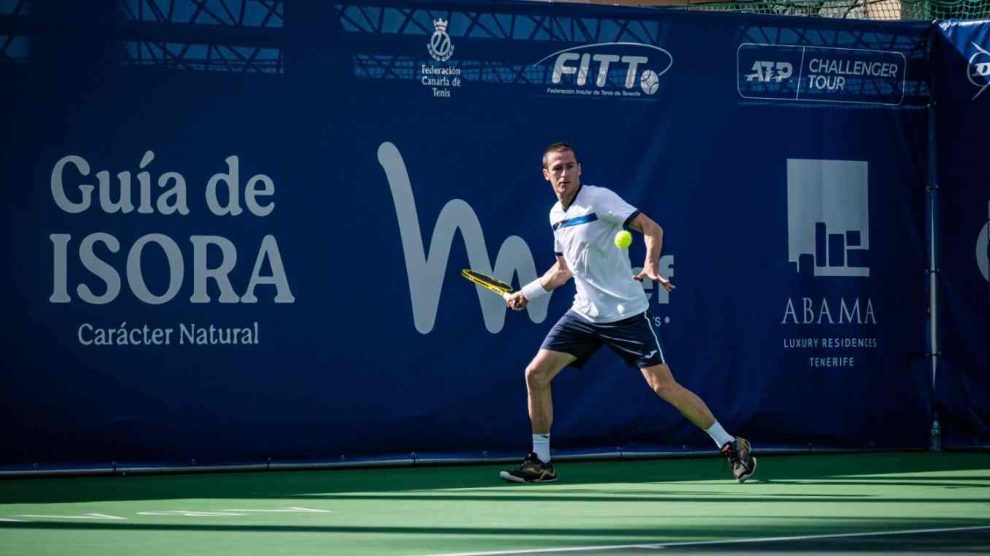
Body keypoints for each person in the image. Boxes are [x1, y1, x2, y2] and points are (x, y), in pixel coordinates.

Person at [499, 142, 756, 484]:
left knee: (662, 385)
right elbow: (562, 271)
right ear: (546, 174)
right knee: (536, 374)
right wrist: (527, 293)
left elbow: (652, 228)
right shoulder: (556, 215)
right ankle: (541, 462)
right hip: (585, 314)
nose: (564, 174)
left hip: (625, 313)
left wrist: (650, 264)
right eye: (557, 168)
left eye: (570, 166)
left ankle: (731, 444)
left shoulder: (599, 199)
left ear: (579, 169)